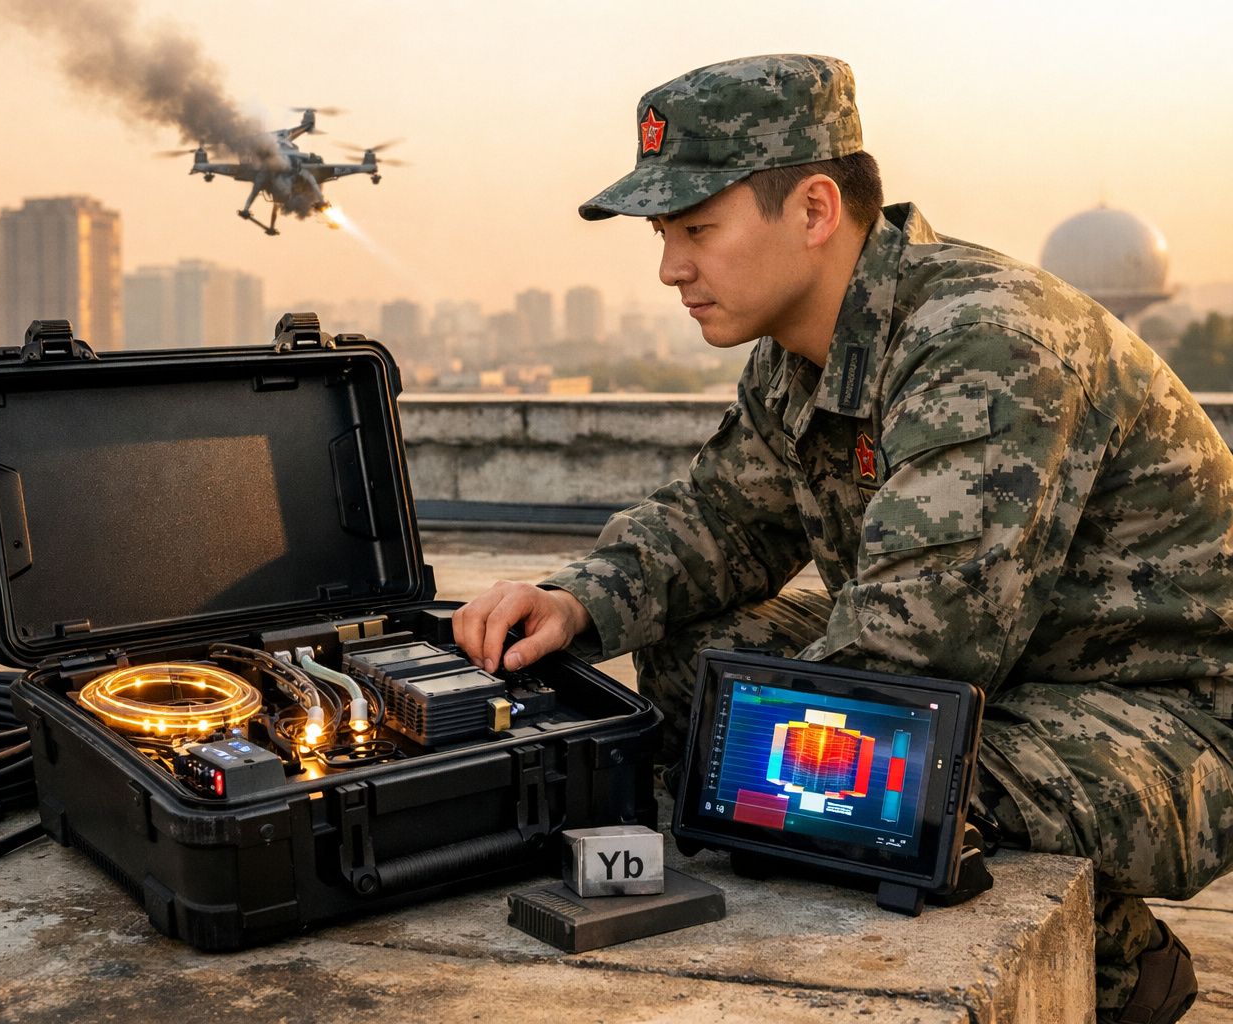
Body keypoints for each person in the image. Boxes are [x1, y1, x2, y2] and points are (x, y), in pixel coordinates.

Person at [452, 54, 1233, 1024]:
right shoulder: (794, 357)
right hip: (1012, 675)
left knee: (875, 771)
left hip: (1164, 713)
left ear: (815, 210)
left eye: (697, 229)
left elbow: (911, 651)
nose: (670, 268)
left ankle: (1117, 968)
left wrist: (720, 780)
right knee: (702, 661)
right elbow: (717, 521)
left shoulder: (985, 339)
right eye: (664, 235)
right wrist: (573, 597)